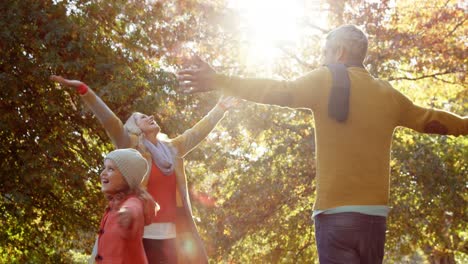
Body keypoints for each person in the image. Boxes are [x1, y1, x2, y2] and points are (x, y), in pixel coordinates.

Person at [177, 24, 468, 263]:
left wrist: (220, 80)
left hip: (335, 217)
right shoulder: (387, 93)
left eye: (325, 52)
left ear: (339, 51)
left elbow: (278, 91)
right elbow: (430, 119)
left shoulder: (326, 79)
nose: (322, 59)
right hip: (373, 218)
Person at [51, 75, 238, 264]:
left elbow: (196, 132)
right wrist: (85, 90)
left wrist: (220, 108)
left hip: (171, 236)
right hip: (139, 234)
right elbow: (111, 122)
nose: (150, 117)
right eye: (142, 117)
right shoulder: (132, 148)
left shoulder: (172, 150)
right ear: (134, 128)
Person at [94, 148, 157, 263]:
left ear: (126, 178)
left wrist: (128, 213)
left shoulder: (133, 201)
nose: (103, 173)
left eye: (111, 169)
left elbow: (134, 208)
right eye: (104, 168)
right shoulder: (113, 205)